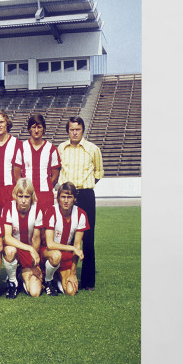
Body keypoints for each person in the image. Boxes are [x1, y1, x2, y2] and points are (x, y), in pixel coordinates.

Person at [57, 116, 103, 290]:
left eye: (77, 129)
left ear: (83, 130)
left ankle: (88, 281)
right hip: (67, 194)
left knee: (88, 238)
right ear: (67, 130)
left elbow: (98, 173)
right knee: (64, 235)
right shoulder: (61, 148)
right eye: (71, 129)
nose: (74, 132)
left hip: (85, 194)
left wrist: (83, 189)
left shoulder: (93, 149)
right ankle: (64, 275)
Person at [39, 181, 90, 297]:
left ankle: (56, 277)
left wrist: (73, 273)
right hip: (48, 254)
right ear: (58, 198)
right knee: (56, 255)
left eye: (69, 197)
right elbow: (50, 244)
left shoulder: (81, 214)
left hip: (66, 257)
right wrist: (72, 248)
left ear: (74, 199)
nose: (66, 200)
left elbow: (77, 246)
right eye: (63, 197)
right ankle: (48, 281)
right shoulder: (51, 211)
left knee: (71, 291)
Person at [1, 177, 44, 298]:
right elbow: (7, 238)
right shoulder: (8, 208)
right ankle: (13, 281)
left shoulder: (37, 210)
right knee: (9, 251)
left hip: (30, 252)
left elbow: (36, 239)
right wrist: (29, 249)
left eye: (27, 197)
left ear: (32, 197)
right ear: (15, 195)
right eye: (20, 196)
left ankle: (21, 273)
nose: (24, 200)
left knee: (35, 293)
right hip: (15, 249)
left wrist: (34, 264)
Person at [12, 112, 60, 215]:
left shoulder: (51, 149)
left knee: (46, 227)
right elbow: (16, 175)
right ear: (29, 129)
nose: (36, 130)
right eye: (34, 127)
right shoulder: (22, 148)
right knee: (28, 227)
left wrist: (46, 187)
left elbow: (55, 176)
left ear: (44, 129)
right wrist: (25, 191)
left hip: (45, 195)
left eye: (39, 127)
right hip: (27, 195)